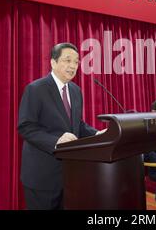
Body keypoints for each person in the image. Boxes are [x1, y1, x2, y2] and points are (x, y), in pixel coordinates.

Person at [18, 43, 102, 210]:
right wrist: (56, 141)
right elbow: (26, 127)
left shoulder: (76, 91)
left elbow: (77, 124)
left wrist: (98, 134)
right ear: (53, 62)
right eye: (67, 60)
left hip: (70, 175)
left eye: (76, 62)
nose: (73, 66)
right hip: (42, 176)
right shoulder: (36, 89)